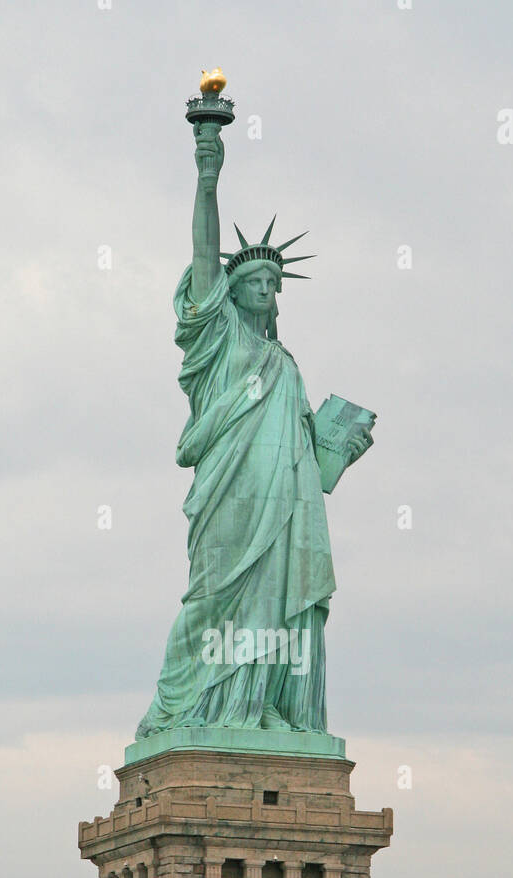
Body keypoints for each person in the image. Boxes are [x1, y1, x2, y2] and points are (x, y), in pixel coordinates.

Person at [135, 123, 372, 739]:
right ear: (229, 293)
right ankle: (188, 708)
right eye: (252, 283)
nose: (266, 289)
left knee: (273, 595)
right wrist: (207, 173)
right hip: (229, 494)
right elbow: (203, 257)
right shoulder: (218, 340)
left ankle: (259, 703)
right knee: (214, 595)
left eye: (274, 283)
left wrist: (339, 448)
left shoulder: (285, 363)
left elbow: (308, 461)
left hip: (287, 502)